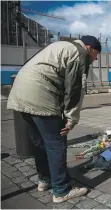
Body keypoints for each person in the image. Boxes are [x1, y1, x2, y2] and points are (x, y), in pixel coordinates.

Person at [7, 35, 101, 203]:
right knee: (56, 143)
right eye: (97, 54)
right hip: (39, 92)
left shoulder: (59, 46)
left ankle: (44, 180)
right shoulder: (79, 53)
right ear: (89, 48)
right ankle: (61, 190)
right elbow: (75, 89)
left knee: (39, 143)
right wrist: (71, 119)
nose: (96, 58)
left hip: (19, 91)